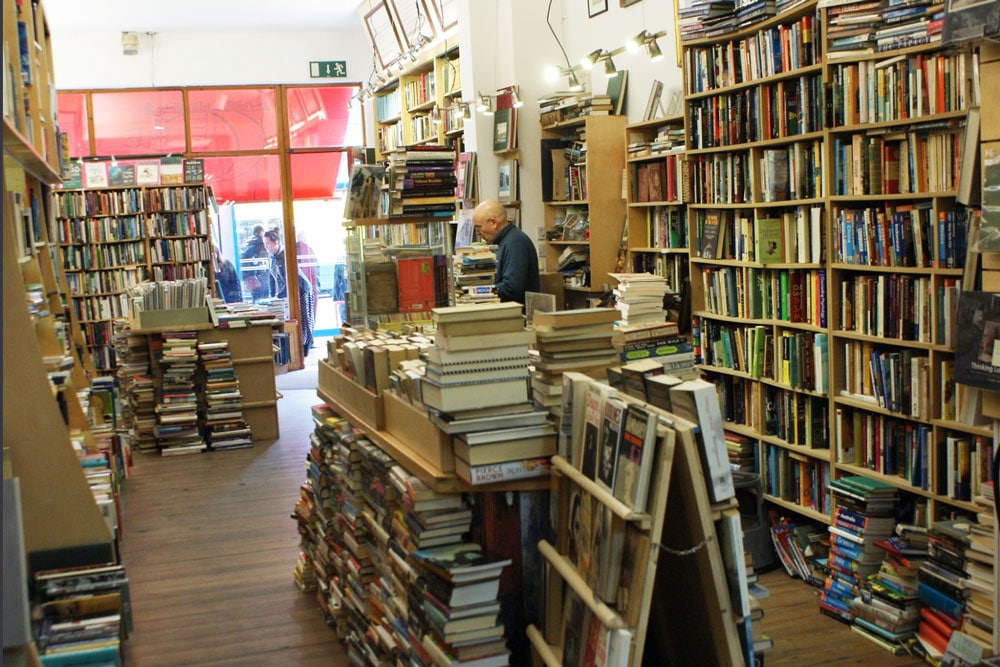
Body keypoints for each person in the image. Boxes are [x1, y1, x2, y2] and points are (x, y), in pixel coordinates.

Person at [472, 199, 539, 305]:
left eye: (478, 228)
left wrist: (475, 292)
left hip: (516, 316)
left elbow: (511, 288)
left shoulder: (515, 243)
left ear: (493, 222)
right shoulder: (502, 242)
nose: (477, 233)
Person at [263, 229, 315, 353]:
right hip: (291, 291)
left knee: (304, 321)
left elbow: (288, 279)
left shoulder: (283, 256)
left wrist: (278, 296)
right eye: (264, 244)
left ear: (276, 242)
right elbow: (273, 278)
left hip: (301, 290)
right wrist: (273, 295)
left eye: (268, 243)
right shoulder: (275, 257)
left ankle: (304, 349)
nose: (266, 247)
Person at [240, 224, 269, 302]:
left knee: (255, 299)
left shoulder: (249, 244)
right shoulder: (261, 244)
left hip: (253, 277)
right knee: (265, 299)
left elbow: (244, 260)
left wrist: (248, 276)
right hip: (261, 276)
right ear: (261, 232)